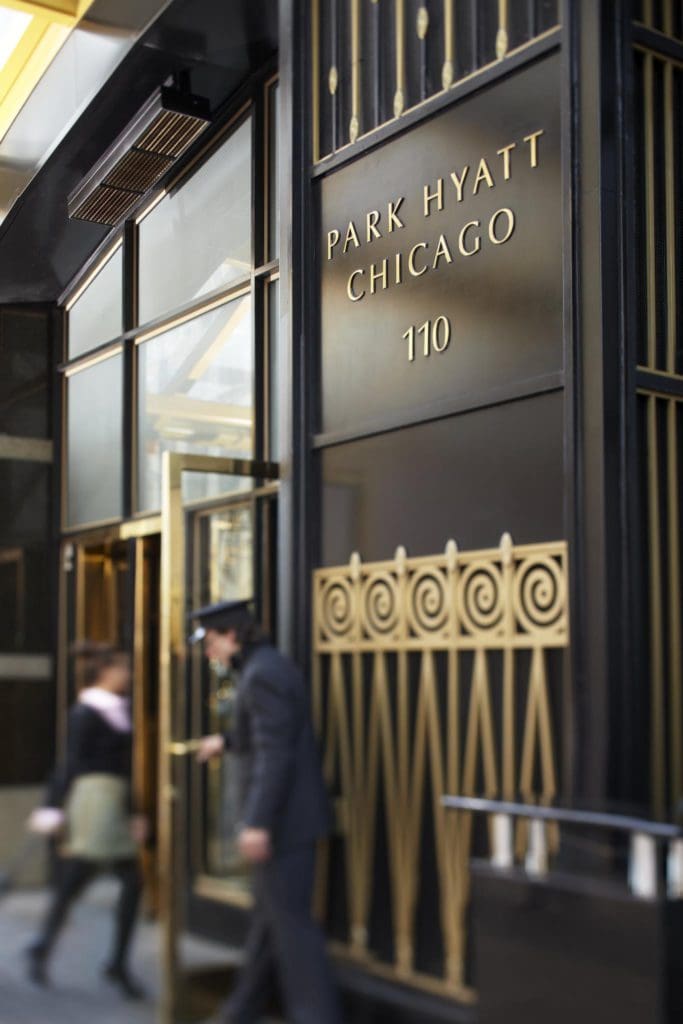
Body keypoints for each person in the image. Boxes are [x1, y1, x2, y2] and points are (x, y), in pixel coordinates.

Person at [193, 600, 342, 1024]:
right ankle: (240, 1011)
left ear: (233, 634)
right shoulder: (263, 669)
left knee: (293, 932)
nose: (209, 652)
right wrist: (225, 742)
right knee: (268, 924)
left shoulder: (262, 675)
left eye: (211, 640)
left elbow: (276, 754)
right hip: (288, 824)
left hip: (284, 827)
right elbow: (264, 735)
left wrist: (257, 822)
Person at [25, 642, 146, 999]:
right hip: (94, 804)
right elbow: (71, 764)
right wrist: (52, 807)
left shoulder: (116, 709)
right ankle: (110, 964)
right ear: (105, 672)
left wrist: (135, 810)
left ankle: (50, 948)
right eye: (123, 668)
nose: (129, 674)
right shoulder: (86, 712)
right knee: (94, 878)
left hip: (113, 802)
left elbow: (126, 771)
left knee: (102, 881)